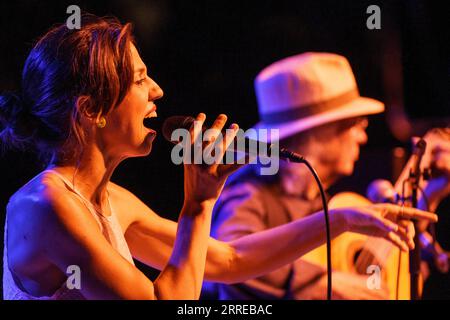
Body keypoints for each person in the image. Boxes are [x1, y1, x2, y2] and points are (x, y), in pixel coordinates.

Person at [0, 15, 436, 300]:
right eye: (139, 79)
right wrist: (198, 205)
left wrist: (340, 221)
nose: (157, 91)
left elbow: (229, 260)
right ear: (91, 111)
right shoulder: (47, 207)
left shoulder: (111, 200)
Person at [208, 53, 450, 300]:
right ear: (315, 132)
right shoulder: (248, 195)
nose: (362, 137)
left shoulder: (318, 201)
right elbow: (228, 259)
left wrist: (426, 198)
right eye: (355, 124)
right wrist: (323, 283)